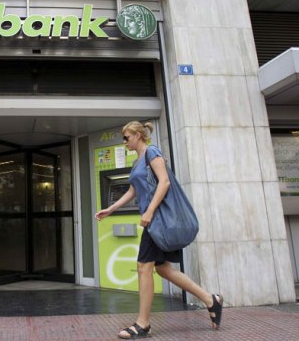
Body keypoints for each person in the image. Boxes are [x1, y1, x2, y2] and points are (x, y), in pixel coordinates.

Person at [95, 121, 223, 339]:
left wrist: (149, 211)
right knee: (163, 269)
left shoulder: (152, 152)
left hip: (157, 220)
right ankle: (211, 300)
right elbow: (133, 190)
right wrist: (111, 208)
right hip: (154, 222)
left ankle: (143, 323)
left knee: (143, 267)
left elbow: (164, 182)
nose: (124, 142)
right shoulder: (137, 161)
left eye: (126, 137)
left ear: (138, 135)